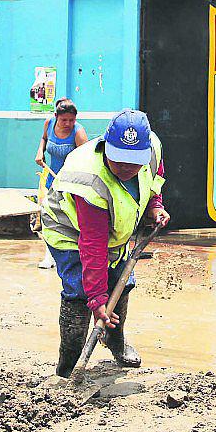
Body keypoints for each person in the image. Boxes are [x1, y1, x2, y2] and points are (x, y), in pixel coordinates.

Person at [39, 109, 169, 377]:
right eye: (118, 160)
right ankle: (69, 365)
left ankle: (114, 342)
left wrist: (154, 206)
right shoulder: (90, 179)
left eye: (134, 162)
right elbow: (93, 246)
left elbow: (154, 182)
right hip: (69, 231)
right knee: (80, 294)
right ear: (106, 147)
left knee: (123, 282)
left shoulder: (152, 149)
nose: (126, 168)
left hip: (112, 233)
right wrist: (97, 299)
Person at [34, 99, 89, 269]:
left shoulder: (79, 133)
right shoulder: (49, 123)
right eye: (64, 120)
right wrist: (40, 152)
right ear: (56, 116)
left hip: (71, 183)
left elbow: (87, 160)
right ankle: (49, 256)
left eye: (71, 120)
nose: (68, 124)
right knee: (49, 218)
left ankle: (76, 258)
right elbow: (44, 139)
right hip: (51, 180)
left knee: (70, 221)